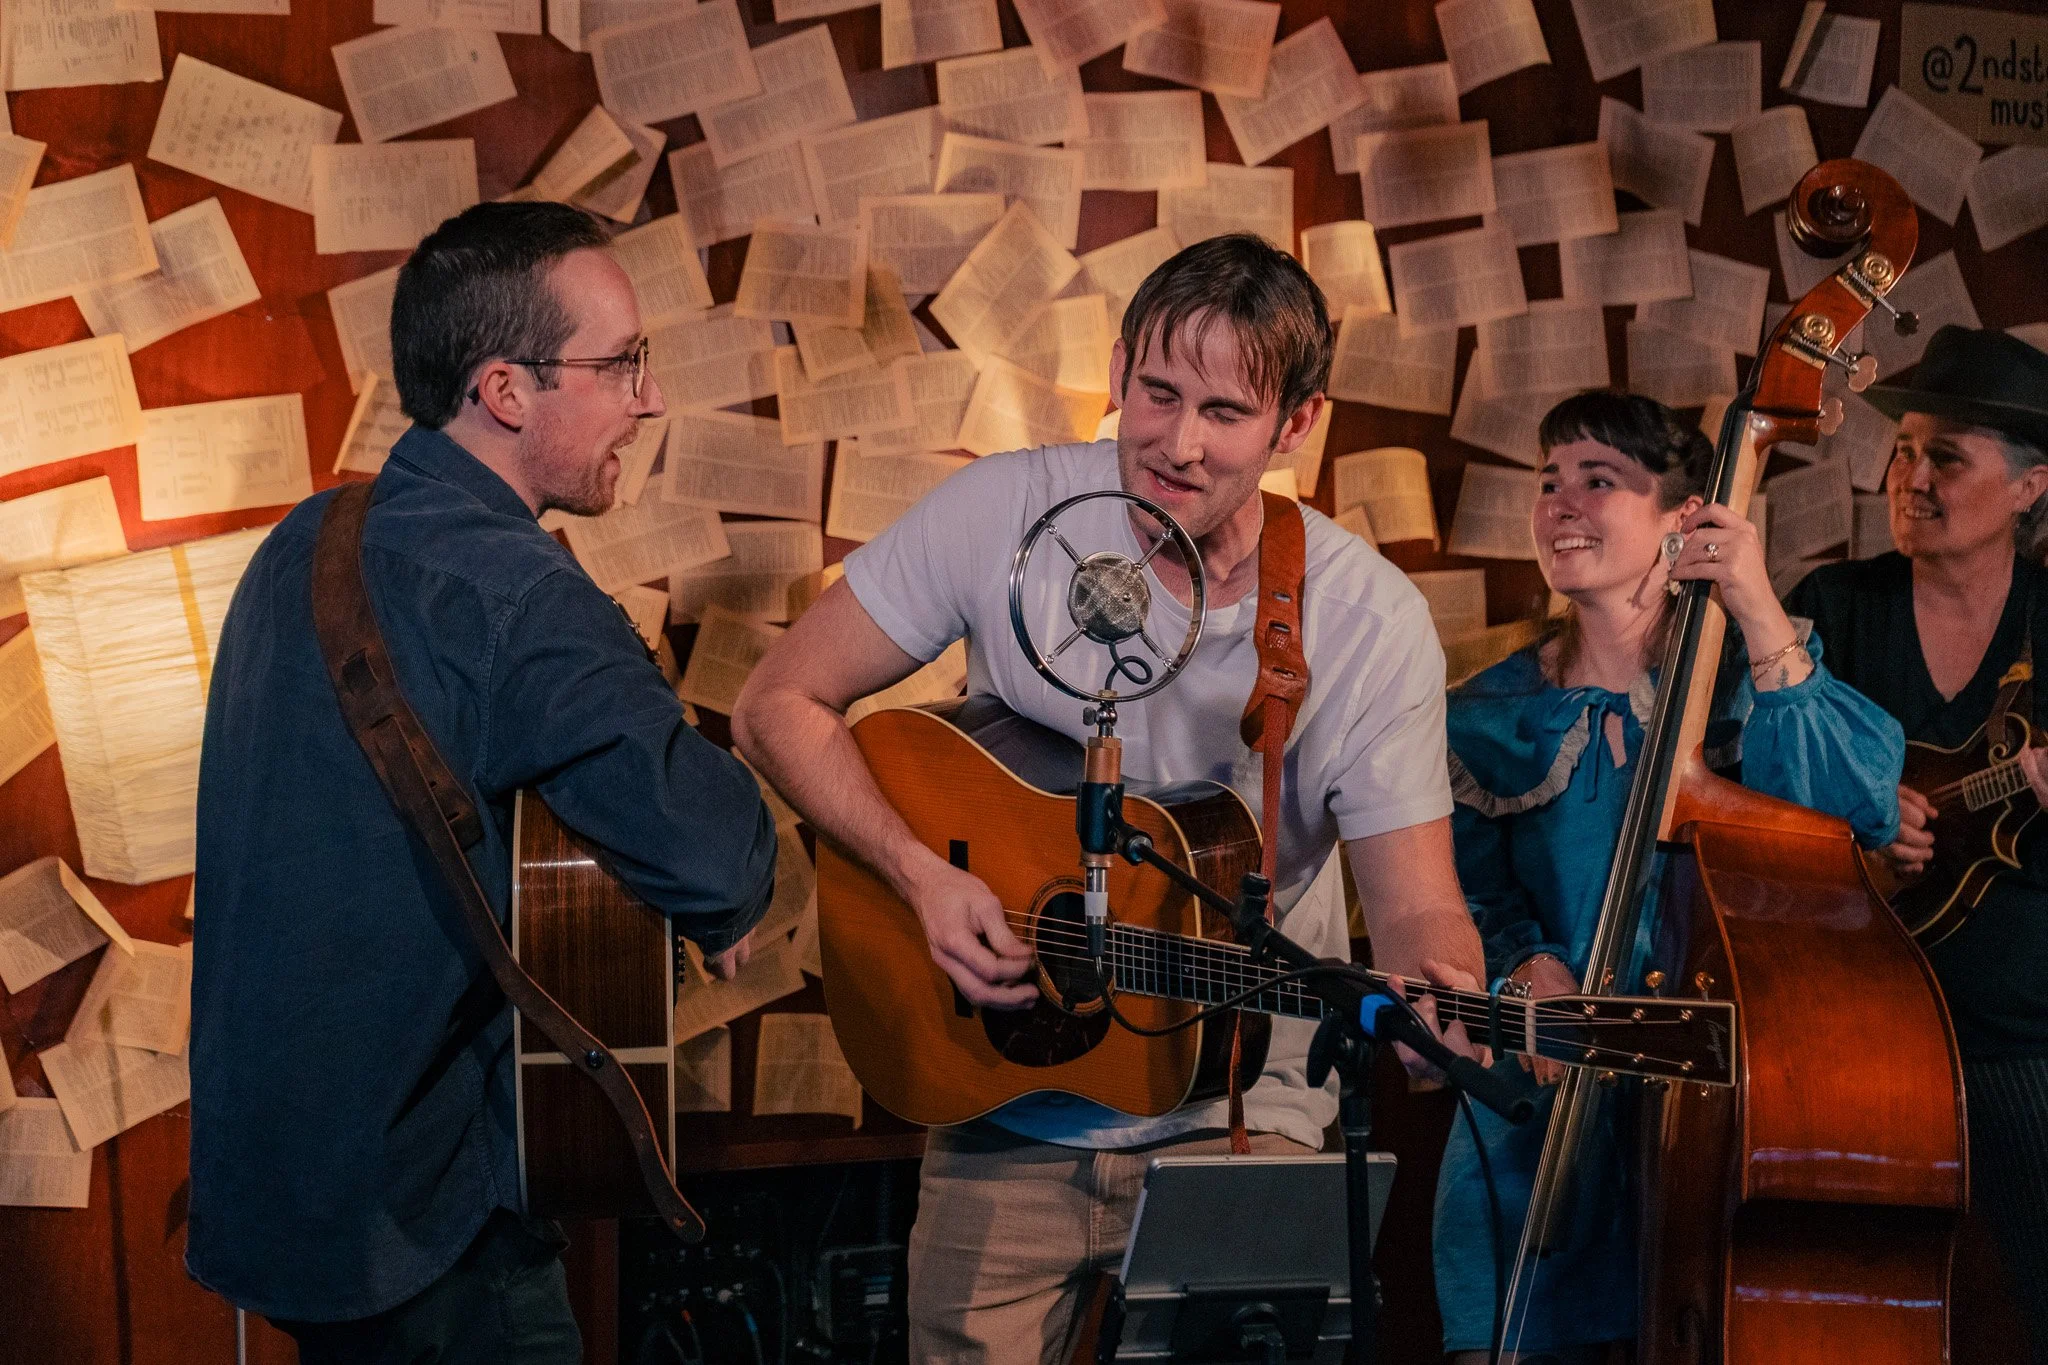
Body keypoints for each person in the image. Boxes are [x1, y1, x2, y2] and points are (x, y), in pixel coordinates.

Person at [732, 233, 1488, 1365]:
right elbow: (777, 702)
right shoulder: (1002, 513)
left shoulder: (1365, 621)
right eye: (1156, 392)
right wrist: (920, 876)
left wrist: (1449, 1002)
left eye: (1224, 413)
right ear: (1120, 369)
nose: (1175, 445)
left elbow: (1418, 905)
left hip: (1246, 1111)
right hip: (997, 1096)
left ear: (1295, 424)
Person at [186, 201, 778, 1363]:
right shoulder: (517, 595)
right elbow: (722, 867)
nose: (647, 399)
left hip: (283, 1201)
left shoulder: (304, 540)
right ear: (506, 392)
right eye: (618, 367)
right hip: (427, 1221)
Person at [1434, 391, 1905, 1363]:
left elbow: (1848, 815)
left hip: (1721, 1113)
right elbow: (1459, 891)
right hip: (1542, 1105)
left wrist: (1754, 603)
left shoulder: (1750, 675)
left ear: (1680, 518)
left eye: (1596, 482)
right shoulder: (1489, 709)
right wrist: (1524, 968)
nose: (1560, 504)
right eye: (1547, 483)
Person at [1786, 324, 2048, 1362]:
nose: (1911, 476)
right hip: (1846, 1021)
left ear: (2030, 489)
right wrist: (1852, 810)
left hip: (2020, 1033)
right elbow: (1733, 784)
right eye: (1904, 452)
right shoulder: (1830, 610)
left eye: (1947, 456)